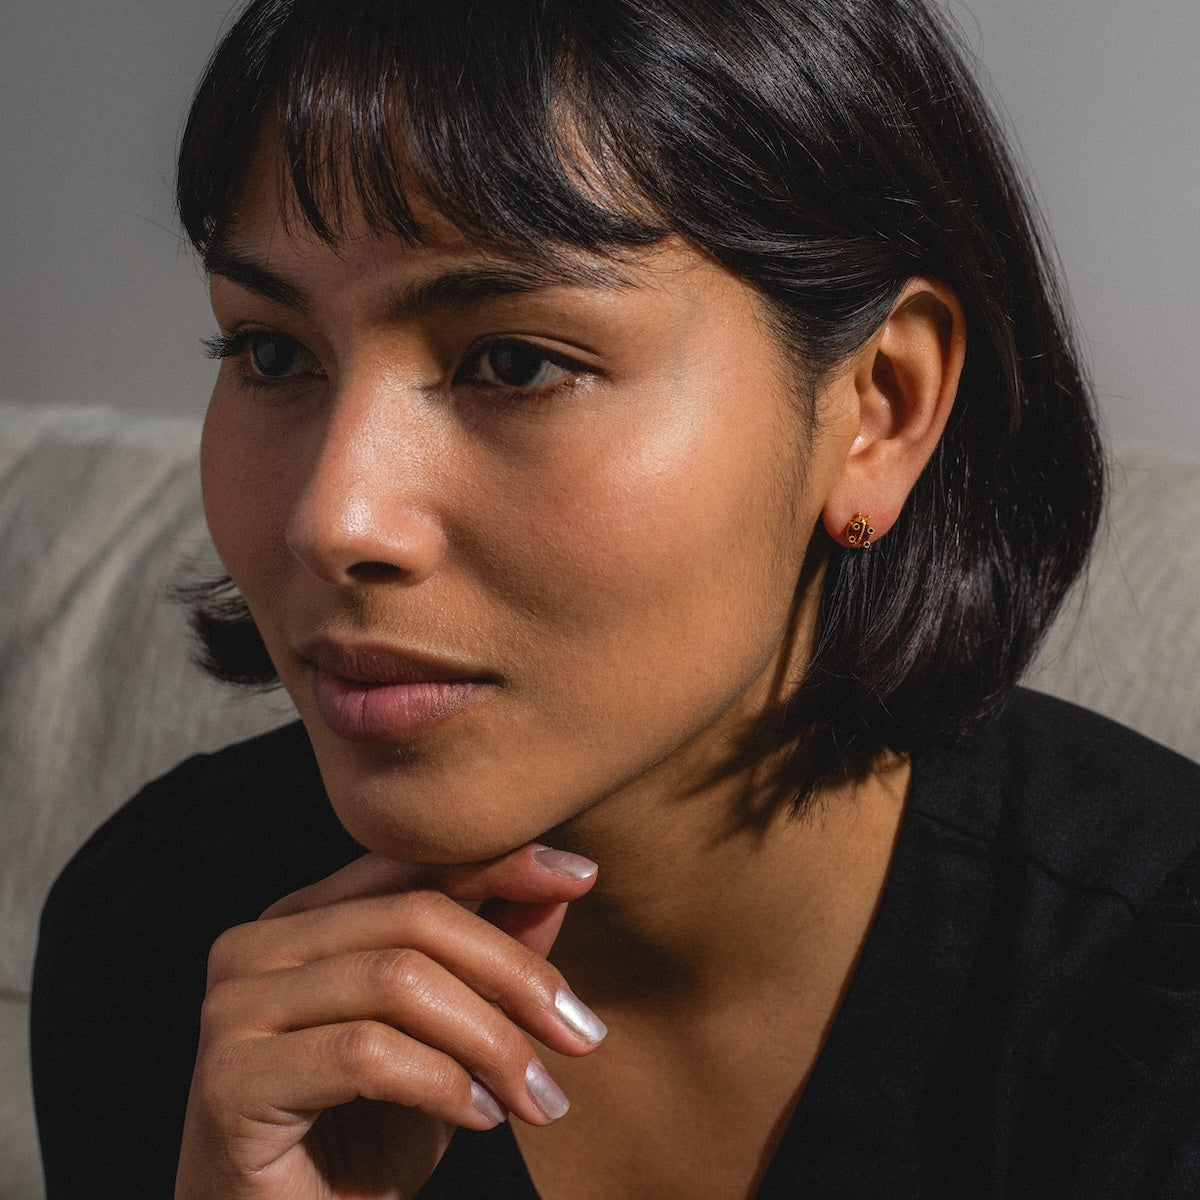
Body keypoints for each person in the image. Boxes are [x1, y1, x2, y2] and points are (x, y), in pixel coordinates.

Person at [30, 0, 1200, 1196]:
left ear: (880, 409)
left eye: (517, 363)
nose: (334, 519)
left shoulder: (1153, 990)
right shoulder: (165, 936)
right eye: (271, 353)